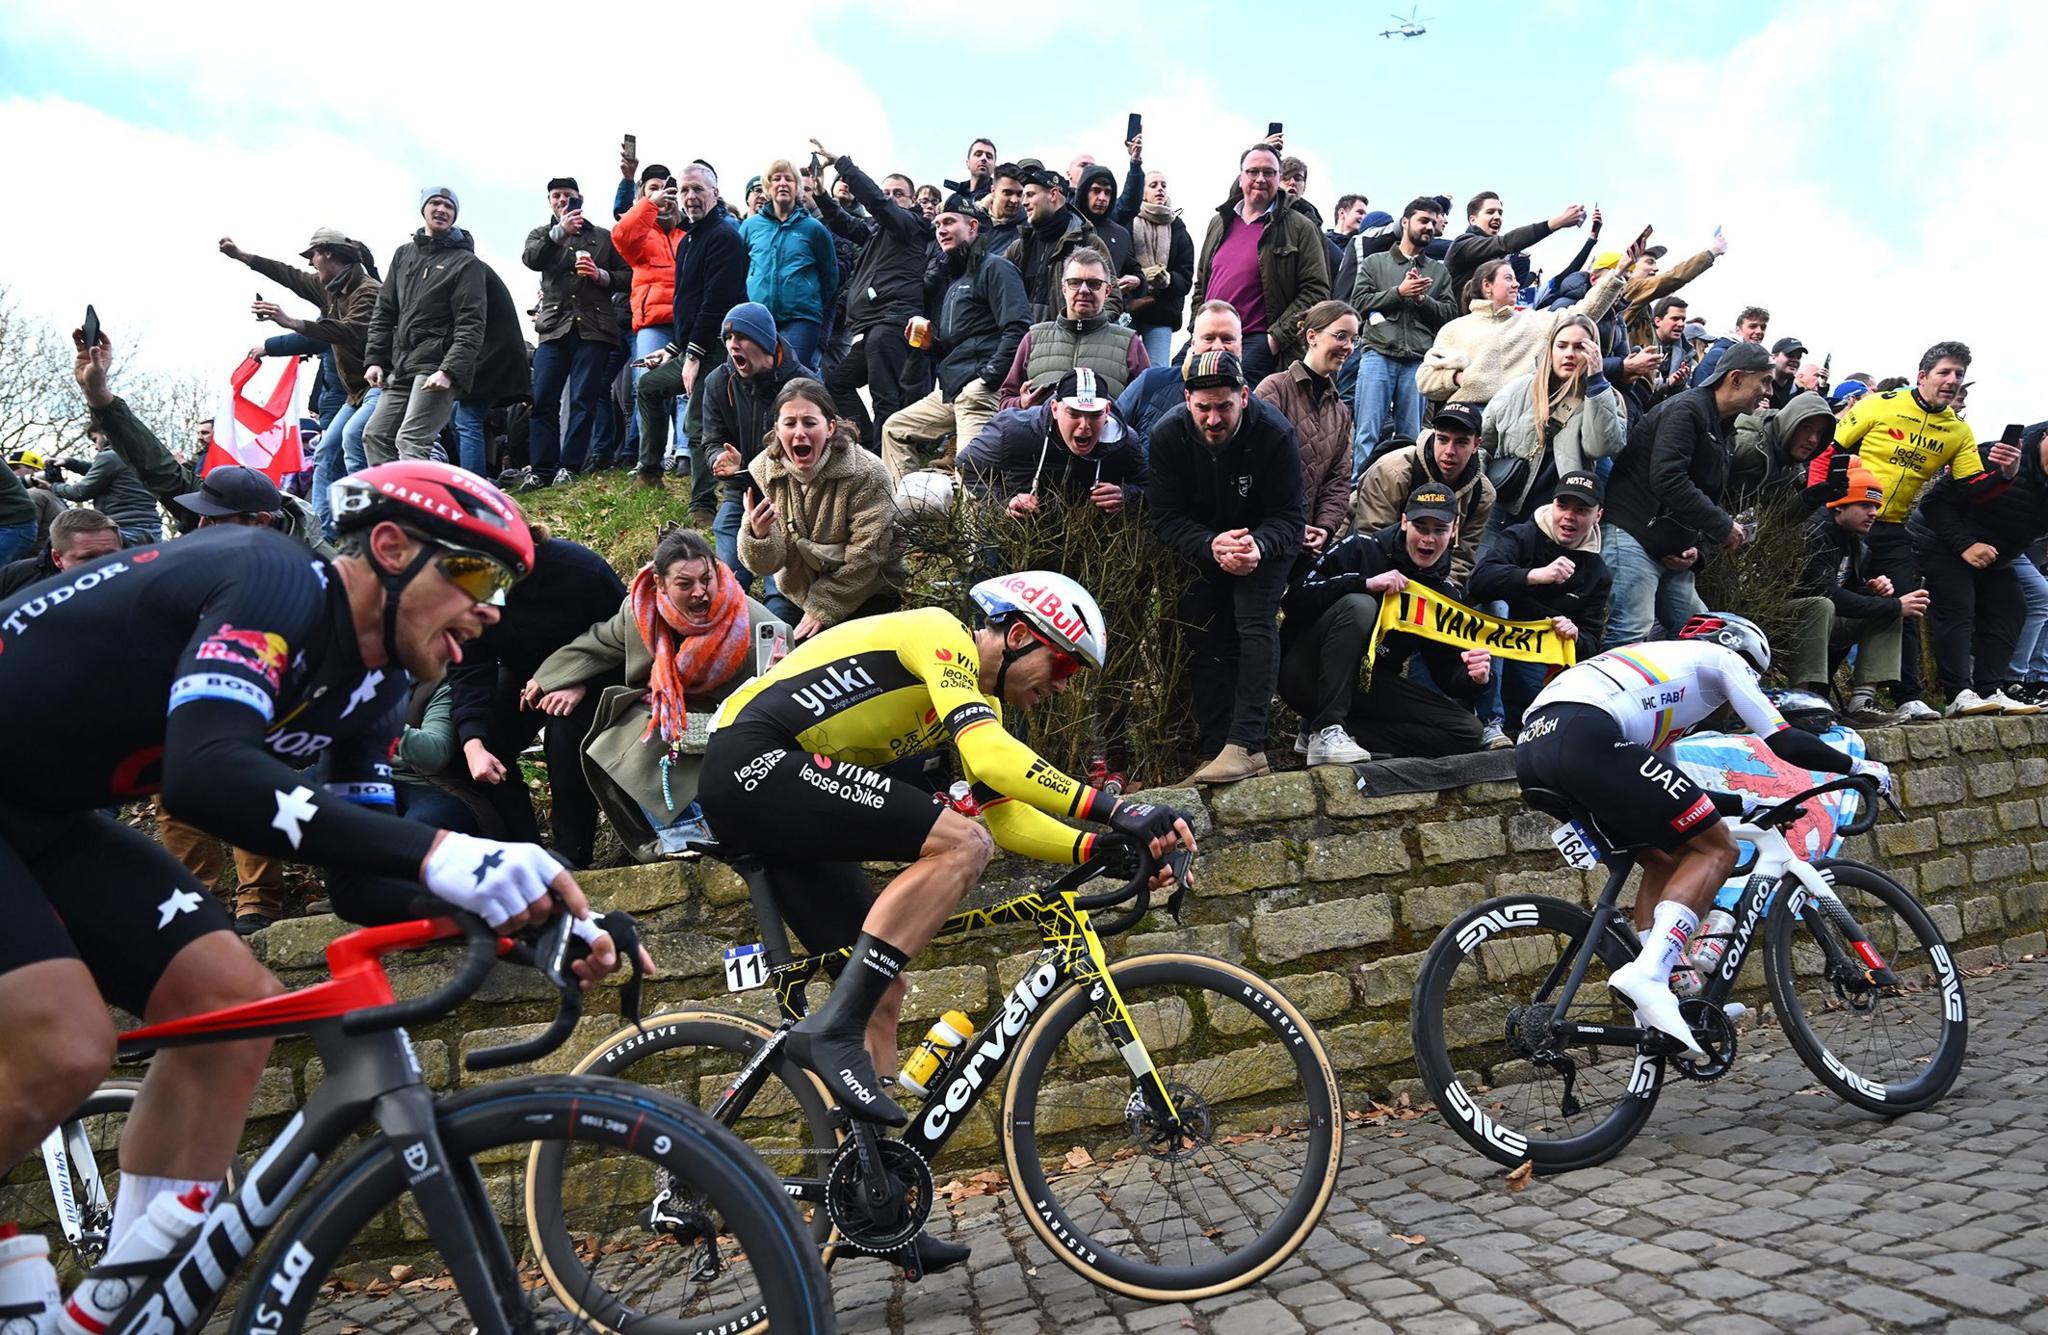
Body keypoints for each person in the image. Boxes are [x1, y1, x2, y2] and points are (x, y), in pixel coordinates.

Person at [0, 460, 634, 1318]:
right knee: (66, 1044)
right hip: (31, 804)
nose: (494, 609)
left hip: (43, 812)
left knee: (234, 1008)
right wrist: (447, 852)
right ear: (390, 546)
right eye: (478, 572)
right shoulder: (274, 582)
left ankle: (120, 1308)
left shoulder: (372, 690)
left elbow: (364, 883)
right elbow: (205, 770)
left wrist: (531, 924)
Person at [695, 571, 1196, 1263]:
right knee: (961, 844)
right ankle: (831, 1030)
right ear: (1020, 635)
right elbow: (993, 767)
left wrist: (1101, 846)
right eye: (1064, 664)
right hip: (752, 760)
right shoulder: (940, 636)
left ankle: (875, 1205)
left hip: (786, 784)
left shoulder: (954, 704)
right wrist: (1119, 807)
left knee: (882, 990)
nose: (1063, 685)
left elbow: (1002, 805)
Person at [1517, 614, 1889, 1057]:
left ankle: (1662, 998)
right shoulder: (1718, 660)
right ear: (1742, 658)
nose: (1733, 707)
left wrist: (1749, 803)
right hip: (1586, 738)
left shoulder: (1658, 699)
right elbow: (1786, 742)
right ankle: (1649, 975)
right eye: (1753, 679)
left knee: (1664, 857)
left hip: (1535, 748)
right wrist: (1859, 767)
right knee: (1718, 848)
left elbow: (1673, 788)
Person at [528, 527, 776, 861]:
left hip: (733, 724)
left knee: (643, 730)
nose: (701, 593)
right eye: (685, 584)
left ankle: (695, 831)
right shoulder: (640, 610)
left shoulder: (752, 622)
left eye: (707, 579)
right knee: (624, 728)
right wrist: (548, 678)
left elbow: (781, 691)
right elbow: (600, 643)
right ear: (659, 583)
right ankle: (676, 833)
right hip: (673, 714)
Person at [1147, 350, 1304, 783]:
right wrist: (1209, 543)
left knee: (1254, 620)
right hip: (1204, 542)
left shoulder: (1274, 432)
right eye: (1203, 408)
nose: (1213, 419)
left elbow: (1292, 517)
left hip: (1264, 540)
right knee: (1198, 625)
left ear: (1245, 396)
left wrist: (1258, 545)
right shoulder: (1167, 436)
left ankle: (1249, 744)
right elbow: (1164, 518)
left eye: (1224, 407)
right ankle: (1216, 746)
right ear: (1186, 400)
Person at [1281, 481, 1491, 762]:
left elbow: (1446, 672)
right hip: (1304, 672)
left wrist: (1473, 677)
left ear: (1454, 532)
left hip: (1368, 684)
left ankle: (1335, 733)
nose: (1428, 539)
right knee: (1359, 604)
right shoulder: (1361, 548)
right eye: (1421, 527)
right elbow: (1295, 599)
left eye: (1439, 530)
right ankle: (1326, 726)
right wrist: (1364, 583)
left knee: (1467, 731)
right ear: (1404, 522)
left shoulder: (1444, 593)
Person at [1833, 341, 1984, 721]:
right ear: (1922, 377)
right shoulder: (1880, 404)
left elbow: (1972, 490)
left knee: (1908, 603)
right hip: (1850, 521)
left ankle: (1906, 697)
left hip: (1895, 526)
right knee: (1840, 599)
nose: (1952, 381)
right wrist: (1826, 504)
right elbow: (1831, 447)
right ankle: (1815, 690)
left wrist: (2007, 474)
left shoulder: (1958, 430)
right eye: (1944, 373)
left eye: (1958, 375)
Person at [1601, 341, 1774, 646]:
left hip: (1674, 555)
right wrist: (1721, 526)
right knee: (1630, 633)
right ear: (1735, 378)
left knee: (1702, 637)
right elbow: (1668, 479)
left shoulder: (1725, 429)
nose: (1769, 392)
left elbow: (1709, 496)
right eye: (1764, 380)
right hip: (1632, 535)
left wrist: (1698, 551)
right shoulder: (1685, 410)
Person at [219, 228, 381, 535]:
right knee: (325, 450)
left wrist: (292, 322)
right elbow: (287, 274)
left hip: (381, 384)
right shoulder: (329, 288)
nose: (311, 264)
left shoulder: (368, 290)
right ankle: (320, 533)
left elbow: (349, 331)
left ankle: (364, 526)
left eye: (314, 257)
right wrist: (241, 256)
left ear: (328, 253)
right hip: (355, 393)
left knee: (352, 440)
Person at [1906, 403, 2046, 716]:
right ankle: (1958, 693)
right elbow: (1934, 503)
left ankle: (1990, 689)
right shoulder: (1999, 457)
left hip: (1995, 555)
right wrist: (1966, 545)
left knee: (2011, 605)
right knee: (1958, 606)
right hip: (1942, 540)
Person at [739, 379, 905, 639]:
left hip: (866, 590)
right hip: (797, 591)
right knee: (775, 658)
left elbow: (868, 555)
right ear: (777, 429)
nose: (799, 432)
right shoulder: (763, 471)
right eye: (790, 423)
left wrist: (823, 604)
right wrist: (759, 536)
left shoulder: (869, 473)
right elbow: (765, 566)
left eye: (809, 422)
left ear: (830, 428)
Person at [880, 194, 1028, 482]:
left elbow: (1019, 329)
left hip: (980, 391)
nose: (941, 230)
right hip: (952, 389)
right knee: (894, 429)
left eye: (949, 222)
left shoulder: (996, 267)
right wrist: (931, 345)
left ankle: (973, 530)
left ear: (973, 227)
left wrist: (987, 380)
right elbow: (955, 348)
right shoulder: (954, 280)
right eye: (937, 224)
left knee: (971, 472)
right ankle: (906, 520)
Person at [634, 163, 749, 512]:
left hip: (717, 349)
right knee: (648, 387)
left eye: (698, 189)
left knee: (697, 422)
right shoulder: (689, 240)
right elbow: (687, 304)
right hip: (692, 346)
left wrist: (694, 355)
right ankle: (649, 471)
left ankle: (702, 504)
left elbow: (717, 304)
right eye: (684, 190)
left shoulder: (725, 238)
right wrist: (672, 349)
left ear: (715, 193)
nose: (690, 197)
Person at [807, 139, 935, 449]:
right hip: (874, 325)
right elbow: (844, 223)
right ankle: (869, 448)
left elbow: (878, 203)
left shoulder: (911, 225)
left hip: (893, 322)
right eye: (887, 191)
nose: (890, 197)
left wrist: (844, 166)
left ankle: (886, 461)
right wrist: (822, 193)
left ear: (912, 201)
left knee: (884, 394)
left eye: (898, 193)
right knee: (838, 383)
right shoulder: (877, 230)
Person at [1467, 471, 1612, 728]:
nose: (1569, 516)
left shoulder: (1598, 572)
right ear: (1552, 505)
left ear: (1597, 516)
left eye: (1581, 510)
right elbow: (1478, 582)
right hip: (1490, 642)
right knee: (1496, 604)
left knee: (1531, 705)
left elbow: (1591, 642)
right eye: (1562, 506)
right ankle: (1490, 720)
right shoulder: (1520, 535)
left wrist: (1575, 634)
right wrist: (1534, 576)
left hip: (1538, 657)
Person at [1783, 461, 1918, 725]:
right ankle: (1800, 699)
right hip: (1781, 621)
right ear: (1839, 505)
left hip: (1824, 620)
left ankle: (1862, 702)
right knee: (1823, 605)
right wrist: (1893, 606)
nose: (1873, 513)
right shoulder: (1812, 533)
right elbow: (1824, 592)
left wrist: (1871, 589)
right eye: (1865, 505)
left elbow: (1845, 591)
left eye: (1876, 507)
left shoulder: (1857, 544)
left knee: (1885, 608)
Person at [361, 188, 485, 464]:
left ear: (455, 215)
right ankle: (393, 504)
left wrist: (449, 370)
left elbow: (471, 323)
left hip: (437, 363)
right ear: (423, 209)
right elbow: (384, 311)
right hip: (402, 363)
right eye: (435, 203)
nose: (441, 209)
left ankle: (421, 506)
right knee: (375, 435)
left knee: (412, 440)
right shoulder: (403, 255)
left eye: (448, 206)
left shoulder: (466, 263)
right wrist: (376, 360)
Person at [523, 178, 632, 487]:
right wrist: (560, 233)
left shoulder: (602, 237)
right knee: (543, 399)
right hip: (554, 328)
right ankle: (541, 469)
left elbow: (629, 276)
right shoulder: (542, 235)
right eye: (556, 196)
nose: (562, 201)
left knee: (583, 400)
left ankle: (570, 465)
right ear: (549, 201)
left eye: (568, 196)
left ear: (579, 200)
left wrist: (602, 276)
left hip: (594, 328)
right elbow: (532, 260)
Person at [1190, 145, 1330, 386]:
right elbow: (1202, 283)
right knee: (1175, 391)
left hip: (1255, 340)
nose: (1260, 179)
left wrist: (1274, 339)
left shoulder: (1301, 227)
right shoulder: (1219, 222)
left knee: (1235, 406)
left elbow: (1316, 291)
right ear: (1241, 176)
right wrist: (1195, 328)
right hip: (1207, 336)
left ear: (1279, 178)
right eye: (1253, 172)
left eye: (1269, 172)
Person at [1478, 314, 1627, 529]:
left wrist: (1596, 383)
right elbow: (1481, 443)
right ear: (1550, 350)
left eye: (1580, 347)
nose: (1569, 354)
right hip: (1504, 511)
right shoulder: (1518, 389)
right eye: (1562, 346)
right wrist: (1480, 494)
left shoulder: (1605, 397)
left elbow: (1600, 447)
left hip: (1562, 520)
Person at [1418, 256, 1623, 408]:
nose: (1517, 284)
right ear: (1487, 286)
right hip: (1468, 420)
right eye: (1508, 278)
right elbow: (1425, 381)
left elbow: (1584, 312)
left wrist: (1618, 273)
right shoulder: (1454, 329)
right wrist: (1457, 379)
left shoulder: (1535, 320)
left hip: (1522, 419)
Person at [1349, 197, 1455, 472]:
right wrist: (1399, 293)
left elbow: (1449, 315)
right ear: (1405, 222)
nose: (1430, 227)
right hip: (1378, 353)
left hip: (1418, 360)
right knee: (1366, 434)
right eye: (1424, 220)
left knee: (1410, 439)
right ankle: (1357, 495)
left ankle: (1403, 496)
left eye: (1434, 222)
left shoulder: (1438, 271)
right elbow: (1358, 302)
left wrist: (1422, 300)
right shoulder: (1375, 263)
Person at [960, 366, 1148, 514]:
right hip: (1017, 534)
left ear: (1107, 410)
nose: (1084, 425)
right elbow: (966, 465)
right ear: (1055, 408)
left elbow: (1149, 487)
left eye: (1094, 415)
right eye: (1074, 413)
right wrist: (1004, 502)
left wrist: (1127, 495)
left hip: (1089, 541)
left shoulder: (1125, 442)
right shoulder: (1011, 430)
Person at [1254, 301, 1356, 558]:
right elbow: (1255, 464)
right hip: (1261, 538)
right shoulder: (1274, 389)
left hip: (1305, 546)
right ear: (1312, 336)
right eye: (1341, 336)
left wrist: (1325, 527)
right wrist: (1288, 525)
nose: (1349, 346)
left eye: (1354, 339)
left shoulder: (1341, 412)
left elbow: (1338, 480)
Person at [1356, 400, 1494, 583]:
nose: (1449, 451)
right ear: (1434, 435)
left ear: (1476, 444)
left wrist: (1439, 597)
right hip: (1369, 563)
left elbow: (1461, 559)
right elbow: (1369, 541)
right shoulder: (1393, 471)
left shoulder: (1483, 494)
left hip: (1431, 576)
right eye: (1443, 439)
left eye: (1461, 442)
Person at [996, 248, 1149, 410]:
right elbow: (1005, 401)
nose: (1084, 290)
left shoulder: (1129, 343)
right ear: (1063, 289)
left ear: (1107, 291)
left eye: (1094, 284)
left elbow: (1148, 405)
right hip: (1038, 433)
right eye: (1075, 282)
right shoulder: (1033, 338)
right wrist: (1021, 403)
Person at [611, 167, 688, 477]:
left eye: (666, 189)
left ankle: (684, 452)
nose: (662, 194)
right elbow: (621, 234)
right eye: (653, 188)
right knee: (647, 386)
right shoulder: (641, 234)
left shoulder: (688, 233)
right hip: (653, 321)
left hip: (685, 320)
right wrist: (649, 204)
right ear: (643, 193)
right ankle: (649, 459)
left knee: (688, 386)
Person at [737, 160, 838, 373]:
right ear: (767, 188)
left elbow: (830, 276)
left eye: (788, 179)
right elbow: (738, 269)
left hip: (801, 318)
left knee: (788, 377)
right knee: (757, 377)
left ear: (798, 188)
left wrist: (811, 301)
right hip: (758, 316)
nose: (782, 183)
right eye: (776, 178)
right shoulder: (749, 227)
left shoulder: (814, 229)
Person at [1113, 136, 1196, 366]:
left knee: (1156, 371)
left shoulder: (1178, 228)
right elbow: (1121, 259)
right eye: (1153, 185)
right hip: (1129, 309)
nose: (1160, 189)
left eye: (1163, 185)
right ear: (1142, 192)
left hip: (1161, 314)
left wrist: (1167, 279)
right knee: (1119, 369)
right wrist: (1143, 277)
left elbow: (1186, 276)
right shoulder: (1127, 222)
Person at [1118, 299, 1240, 442]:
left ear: (1241, 344)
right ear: (1193, 343)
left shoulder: (1254, 408)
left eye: (1227, 339)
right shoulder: (1150, 383)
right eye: (1208, 338)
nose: (1218, 347)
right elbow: (1110, 430)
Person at [1003, 167, 1111, 322]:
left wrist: (1086, 332)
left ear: (1053, 194)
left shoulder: (1089, 242)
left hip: (1069, 342)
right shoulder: (1019, 247)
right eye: (1023, 196)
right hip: (1021, 341)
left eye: (1030, 195)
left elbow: (1112, 297)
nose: (1024, 203)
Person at [1443, 191, 1586, 299]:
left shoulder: (1501, 259)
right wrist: (1558, 222)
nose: (1497, 217)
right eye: (1490, 212)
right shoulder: (1462, 244)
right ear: (1473, 220)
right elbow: (1505, 243)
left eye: (1500, 213)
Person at [1616, 231, 1725, 352]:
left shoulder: (1644, 306)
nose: (1656, 269)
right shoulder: (1630, 289)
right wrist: (1711, 253)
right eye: (1649, 262)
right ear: (1631, 267)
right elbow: (1672, 278)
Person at [49, 428, 159, 546]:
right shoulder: (140, 456)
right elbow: (104, 472)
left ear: (106, 434)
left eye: (95, 439)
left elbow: (79, 492)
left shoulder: (110, 457)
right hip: (153, 527)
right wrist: (70, 463)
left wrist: (53, 486)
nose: (96, 447)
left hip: (125, 527)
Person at [0, 506, 119, 599]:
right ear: (57, 559)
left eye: (113, 555)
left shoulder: (135, 584)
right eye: (89, 558)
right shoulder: (13, 579)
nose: (105, 565)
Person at [1692, 306, 1770, 386]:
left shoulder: (1753, 358)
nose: (1759, 331)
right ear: (1738, 329)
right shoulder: (1720, 354)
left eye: (1763, 327)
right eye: (1753, 326)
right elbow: (1699, 389)